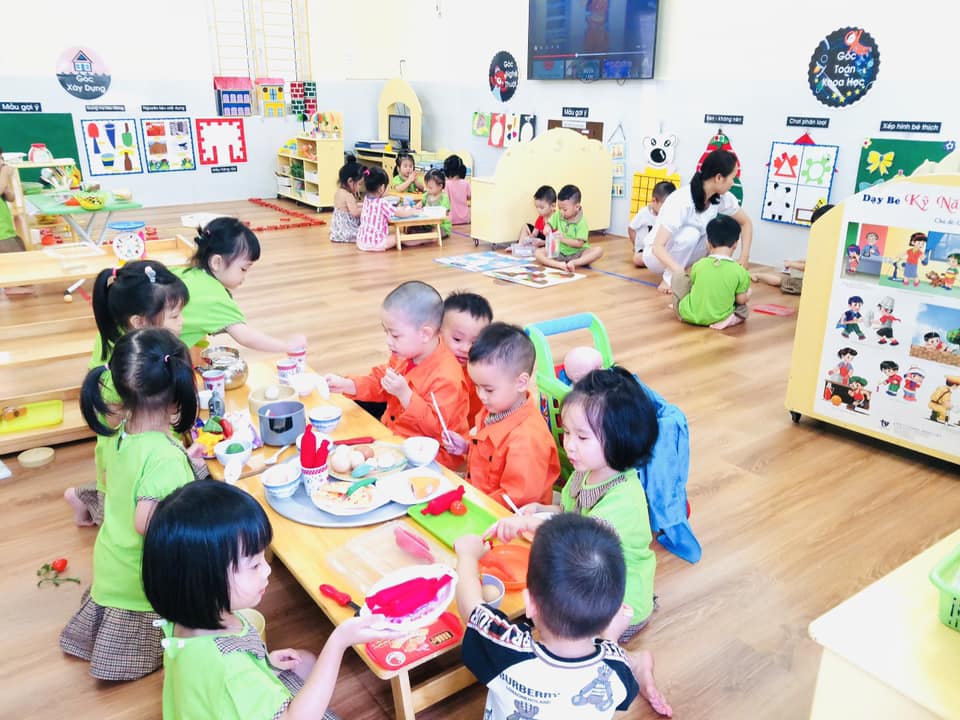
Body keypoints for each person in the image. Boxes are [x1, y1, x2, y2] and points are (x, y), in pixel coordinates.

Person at [142, 480, 401, 720]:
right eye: (254, 564)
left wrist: (264, 665)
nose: (267, 570)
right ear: (205, 580)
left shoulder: (192, 621)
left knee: (305, 661)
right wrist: (338, 642)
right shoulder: (229, 670)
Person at [60, 328, 198, 681]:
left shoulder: (123, 433)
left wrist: (187, 461)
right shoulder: (165, 457)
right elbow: (145, 521)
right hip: (138, 580)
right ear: (178, 396)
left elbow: (128, 481)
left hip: (111, 561)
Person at [487, 367, 659, 644]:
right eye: (567, 433)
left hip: (617, 604)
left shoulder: (625, 499)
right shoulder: (585, 471)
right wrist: (540, 510)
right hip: (587, 577)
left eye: (582, 437)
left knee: (559, 636)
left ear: (620, 438)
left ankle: (629, 660)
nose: (569, 445)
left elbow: (576, 535)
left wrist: (528, 523)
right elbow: (570, 512)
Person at [455, 512, 672, 718]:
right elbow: (613, 661)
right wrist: (611, 638)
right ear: (613, 613)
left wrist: (467, 556)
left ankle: (640, 661)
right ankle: (639, 662)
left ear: (530, 603)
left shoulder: (507, 651)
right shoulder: (617, 667)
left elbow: (470, 606)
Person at [63, 260, 191, 527]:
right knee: (125, 508)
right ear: (139, 321)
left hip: (132, 457)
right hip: (124, 462)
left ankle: (83, 496)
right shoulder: (126, 370)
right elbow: (115, 420)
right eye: (175, 316)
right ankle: (84, 499)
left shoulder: (126, 342)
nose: (182, 322)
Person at [325, 281, 469, 469]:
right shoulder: (405, 354)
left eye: (395, 335)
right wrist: (348, 385)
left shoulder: (447, 376)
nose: (388, 341)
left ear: (425, 334)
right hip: (395, 436)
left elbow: (436, 428)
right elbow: (380, 381)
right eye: (386, 332)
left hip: (429, 456)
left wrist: (405, 395)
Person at [441, 323, 560, 509]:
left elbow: (516, 499)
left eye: (488, 389)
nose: (481, 396)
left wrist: (472, 502)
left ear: (521, 383)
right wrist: (467, 446)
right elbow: (492, 457)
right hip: (480, 495)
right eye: (477, 386)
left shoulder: (527, 441)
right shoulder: (497, 407)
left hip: (506, 516)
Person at [174, 217, 306, 353]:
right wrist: (286, 346)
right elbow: (247, 337)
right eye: (243, 269)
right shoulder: (215, 298)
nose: (244, 277)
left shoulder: (184, 272)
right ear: (216, 263)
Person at [643, 149, 754, 293]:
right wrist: (678, 273)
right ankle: (669, 279)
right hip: (656, 256)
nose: (733, 183)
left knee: (711, 236)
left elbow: (746, 223)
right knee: (691, 234)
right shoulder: (682, 200)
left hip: (683, 254)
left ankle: (689, 272)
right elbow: (657, 247)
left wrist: (744, 258)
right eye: (732, 178)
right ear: (719, 178)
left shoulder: (721, 197)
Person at [672, 215, 752, 330]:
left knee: (678, 275)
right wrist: (748, 294)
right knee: (743, 308)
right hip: (719, 318)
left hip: (688, 315)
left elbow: (693, 286)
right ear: (735, 244)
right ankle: (727, 321)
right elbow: (740, 300)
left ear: (708, 242)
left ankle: (680, 313)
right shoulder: (740, 271)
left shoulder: (698, 264)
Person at [752, 204, 834, 294]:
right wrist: (798, 262)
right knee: (785, 278)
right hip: (816, 278)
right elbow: (815, 262)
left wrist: (791, 264)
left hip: (816, 281)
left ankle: (758, 275)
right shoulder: (829, 242)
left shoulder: (828, 243)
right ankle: (758, 275)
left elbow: (811, 266)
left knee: (781, 281)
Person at [440, 290, 493, 426]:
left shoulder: (482, 371)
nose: (465, 349)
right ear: (438, 332)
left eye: (474, 342)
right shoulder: (428, 358)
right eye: (457, 339)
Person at [535, 184, 603, 271]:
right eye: (559, 208)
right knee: (538, 253)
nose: (561, 212)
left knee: (598, 251)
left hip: (578, 253)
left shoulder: (582, 222)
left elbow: (579, 244)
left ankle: (574, 263)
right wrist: (547, 227)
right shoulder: (558, 215)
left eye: (565, 209)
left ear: (577, 207)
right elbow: (550, 224)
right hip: (559, 251)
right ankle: (559, 265)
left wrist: (562, 239)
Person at [356, 167, 418, 252]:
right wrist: (412, 211)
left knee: (394, 236)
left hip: (361, 242)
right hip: (376, 243)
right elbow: (401, 214)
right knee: (400, 237)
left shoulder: (366, 199)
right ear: (382, 188)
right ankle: (426, 239)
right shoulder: (382, 203)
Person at [630, 181, 676, 267]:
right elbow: (631, 229)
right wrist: (636, 246)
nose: (668, 209)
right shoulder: (643, 213)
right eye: (665, 206)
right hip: (645, 249)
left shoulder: (669, 215)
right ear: (654, 201)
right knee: (637, 259)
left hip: (660, 249)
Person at [329, 161, 363, 243]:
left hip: (338, 229)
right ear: (350, 181)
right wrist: (368, 209)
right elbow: (355, 212)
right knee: (364, 233)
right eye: (359, 184)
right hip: (347, 229)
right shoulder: (348, 195)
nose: (360, 187)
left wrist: (364, 204)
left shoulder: (339, 192)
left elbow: (350, 206)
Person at [0, 148, 25, 253]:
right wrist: (4, 173)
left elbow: (11, 198)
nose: (1, 162)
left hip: (7, 232)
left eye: (1, 158)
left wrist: (7, 191)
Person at [421, 168, 452, 237]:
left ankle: (427, 237)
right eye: (426, 187)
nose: (427, 189)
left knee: (436, 232)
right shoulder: (426, 195)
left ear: (440, 186)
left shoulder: (444, 198)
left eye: (430, 188)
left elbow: (444, 212)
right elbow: (419, 205)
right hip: (428, 225)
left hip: (442, 226)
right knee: (414, 228)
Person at [443, 154, 471, 225]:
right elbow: (469, 197)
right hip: (466, 218)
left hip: (452, 219)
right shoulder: (466, 183)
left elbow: (445, 200)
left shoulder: (447, 184)